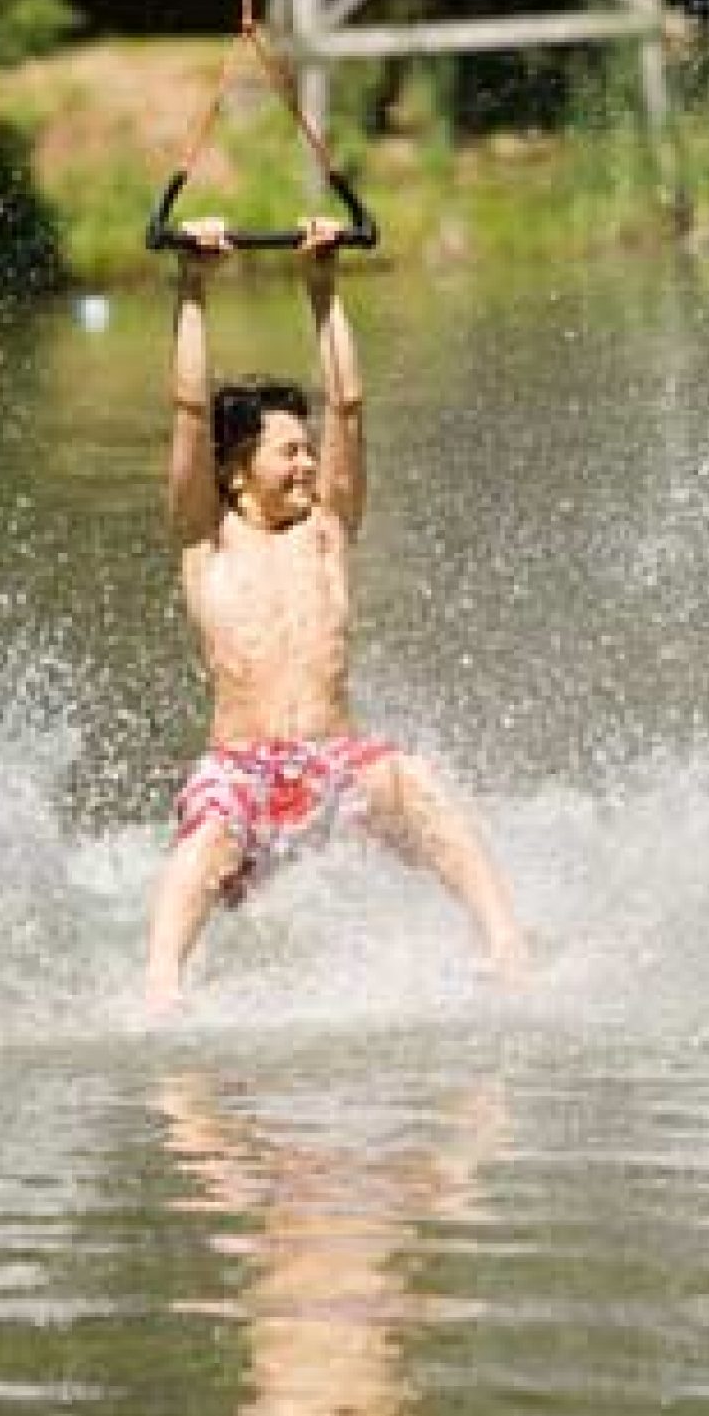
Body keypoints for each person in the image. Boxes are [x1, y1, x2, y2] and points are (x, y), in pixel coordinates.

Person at [145, 213, 529, 1010]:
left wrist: (324, 288)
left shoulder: (326, 531)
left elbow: (348, 406)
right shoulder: (204, 537)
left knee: (414, 781)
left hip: (334, 764)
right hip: (244, 774)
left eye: (307, 450)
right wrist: (193, 286)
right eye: (289, 451)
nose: (308, 462)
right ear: (237, 469)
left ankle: (506, 947)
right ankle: (161, 992)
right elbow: (188, 412)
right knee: (207, 835)